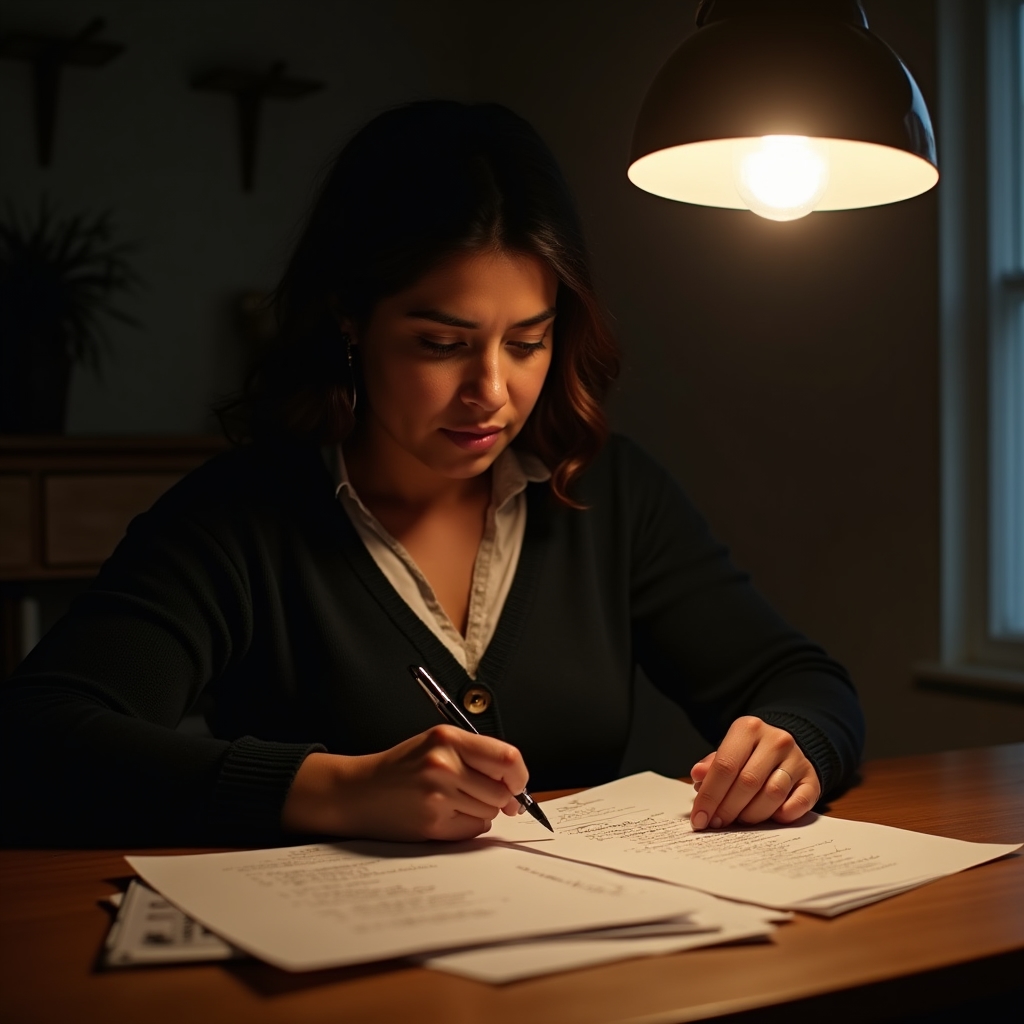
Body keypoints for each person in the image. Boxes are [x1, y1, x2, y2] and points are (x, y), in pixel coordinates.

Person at [0, 101, 863, 847]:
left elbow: (807, 685)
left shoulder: (607, 495)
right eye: (441, 344)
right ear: (350, 321)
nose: (490, 392)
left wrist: (792, 744)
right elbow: (35, 743)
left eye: (527, 341)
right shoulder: (240, 521)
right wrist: (334, 789)